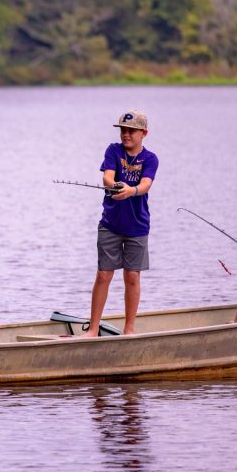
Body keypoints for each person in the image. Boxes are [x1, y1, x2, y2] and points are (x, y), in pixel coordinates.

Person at [83, 110, 159, 337]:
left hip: (137, 226)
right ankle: (93, 328)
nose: (126, 135)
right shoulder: (113, 151)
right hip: (110, 224)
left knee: (132, 276)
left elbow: (146, 184)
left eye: (131, 131)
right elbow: (107, 177)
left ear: (144, 133)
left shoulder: (151, 159)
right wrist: (115, 184)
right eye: (123, 130)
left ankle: (129, 329)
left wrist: (131, 191)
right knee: (104, 274)